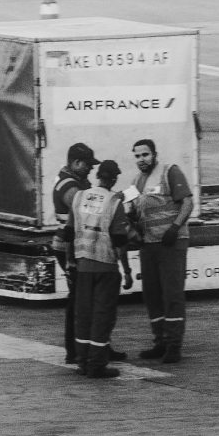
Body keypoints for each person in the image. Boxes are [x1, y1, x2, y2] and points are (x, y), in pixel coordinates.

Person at [128, 138, 195, 365]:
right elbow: (133, 211)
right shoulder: (136, 181)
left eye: (145, 155)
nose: (141, 159)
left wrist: (175, 227)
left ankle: (174, 344)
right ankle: (160, 342)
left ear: (154, 154)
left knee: (172, 294)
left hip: (170, 243)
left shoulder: (170, 171)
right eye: (137, 156)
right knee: (152, 295)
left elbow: (187, 202)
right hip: (149, 245)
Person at [64, 160, 130, 380]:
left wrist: (69, 261)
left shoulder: (79, 197)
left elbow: (68, 232)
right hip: (106, 268)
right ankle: (97, 365)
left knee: (83, 316)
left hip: (83, 266)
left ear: (98, 176)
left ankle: (82, 362)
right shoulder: (114, 202)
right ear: (112, 179)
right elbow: (120, 241)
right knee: (102, 317)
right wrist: (127, 271)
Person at [52, 142, 98, 364]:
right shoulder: (68, 186)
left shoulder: (78, 181)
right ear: (76, 163)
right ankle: (74, 350)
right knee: (78, 299)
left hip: (78, 246)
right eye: (88, 165)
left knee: (88, 297)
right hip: (68, 248)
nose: (91, 169)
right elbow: (86, 209)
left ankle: (95, 344)